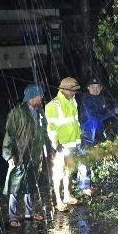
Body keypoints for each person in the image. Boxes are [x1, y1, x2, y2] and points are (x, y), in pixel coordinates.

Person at [1, 83, 47, 227]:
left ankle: (29, 213)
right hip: (20, 155)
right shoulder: (17, 112)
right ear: (32, 97)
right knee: (16, 185)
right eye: (39, 95)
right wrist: (9, 155)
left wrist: (46, 148)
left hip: (34, 154)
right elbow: (9, 134)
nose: (41, 97)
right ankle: (12, 216)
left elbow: (43, 131)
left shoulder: (40, 111)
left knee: (31, 185)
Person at [45, 77, 85, 211]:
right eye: (73, 90)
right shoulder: (52, 105)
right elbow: (51, 128)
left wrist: (79, 138)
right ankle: (58, 200)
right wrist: (55, 144)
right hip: (61, 146)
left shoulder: (73, 101)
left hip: (73, 143)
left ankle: (67, 196)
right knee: (58, 173)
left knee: (69, 171)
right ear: (65, 90)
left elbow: (75, 121)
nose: (75, 93)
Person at [80, 78, 118, 147]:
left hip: (99, 131)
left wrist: (117, 110)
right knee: (89, 154)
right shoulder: (87, 100)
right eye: (92, 87)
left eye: (97, 87)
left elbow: (105, 111)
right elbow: (95, 117)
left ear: (101, 88)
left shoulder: (101, 98)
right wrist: (115, 111)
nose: (95, 90)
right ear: (88, 88)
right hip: (88, 132)